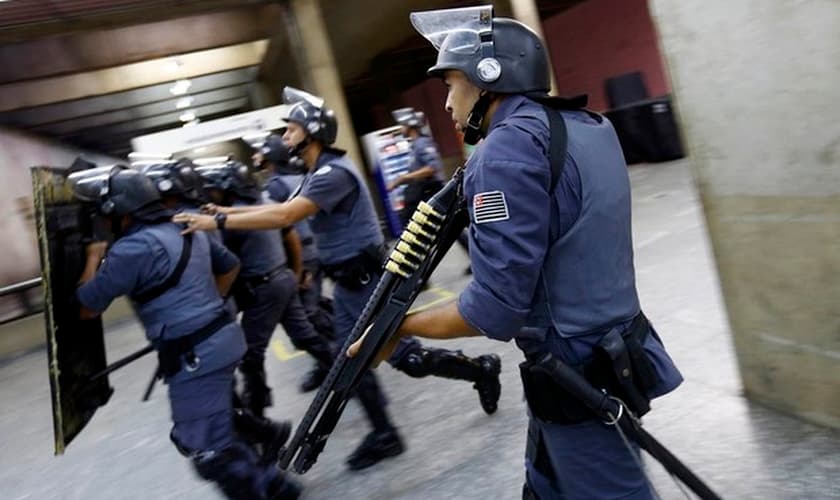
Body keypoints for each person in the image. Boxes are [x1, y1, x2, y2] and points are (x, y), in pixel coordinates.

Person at [350, 6, 684, 499]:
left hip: (573, 370)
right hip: (613, 344)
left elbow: (496, 309)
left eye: (450, 85)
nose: (445, 104)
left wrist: (396, 328)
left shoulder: (504, 152)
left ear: (488, 78)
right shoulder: (587, 125)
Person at [175, 87, 503, 471]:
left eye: (290, 130)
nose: (285, 139)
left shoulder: (333, 173)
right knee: (349, 361)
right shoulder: (316, 172)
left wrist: (214, 220)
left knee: (404, 357)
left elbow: (285, 217)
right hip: (348, 286)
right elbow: (280, 207)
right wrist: (224, 208)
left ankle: (480, 370)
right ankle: (385, 434)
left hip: (367, 284)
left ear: (312, 130)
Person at [71, 165, 300, 499]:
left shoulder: (130, 250)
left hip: (196, 357)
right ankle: (277, 484)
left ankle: (264, 487)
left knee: (209, 453)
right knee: (222, 424)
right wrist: (206, 308)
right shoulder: (184, 225)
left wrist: (93, 258)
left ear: (118, 212)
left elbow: (87, 307)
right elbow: (231, 266)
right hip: (221, 338)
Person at [140, 158, 293, 457]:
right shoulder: (195, 216)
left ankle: (262, 437)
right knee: (225, 389)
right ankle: (262, 434)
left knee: (223, 391)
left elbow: (221, 265)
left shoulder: (187, 221)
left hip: (209, 320)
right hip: (217, 312)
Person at [193, 160, 335, 417]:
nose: (209, 193)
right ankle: (346, 371)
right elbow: (290, 236)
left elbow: (226, 263)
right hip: (283, 279)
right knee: (305, 336)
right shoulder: (266, 203)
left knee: (250, 354)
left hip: (265, 289)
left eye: (212, 188)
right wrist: (295, 271)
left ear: (226, 188)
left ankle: (257, 415)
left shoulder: (229, 220)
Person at [255, 135, 335, 393]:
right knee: (311, 308)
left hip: (302, 254)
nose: (255, 156)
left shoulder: (276, 186)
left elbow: (283, 225)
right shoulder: (298, 177)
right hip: (314, 249)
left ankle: (340, 351)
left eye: (258, 152)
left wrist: (299, 269)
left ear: (269, 156)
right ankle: (330, 358)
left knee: (308, 314)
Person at [387, 108, 445, 228]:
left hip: (429, 191)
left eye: (402, 125)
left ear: (409, 126)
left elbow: (432, 168)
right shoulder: (414, 146)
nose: (400, 129)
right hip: (421, 192)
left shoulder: (422, 143)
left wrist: (404, 178)